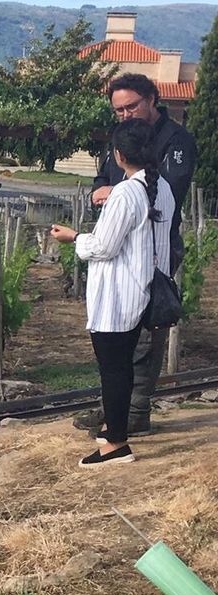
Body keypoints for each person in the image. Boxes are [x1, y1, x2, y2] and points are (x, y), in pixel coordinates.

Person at [73, 73, 196, 438]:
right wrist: (104, 191)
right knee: (119, 342)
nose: (125, 114)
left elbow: (166, 192)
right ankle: (115, 411)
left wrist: (119, 192)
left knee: (144, 334)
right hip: (121, 249)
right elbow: (101, 182)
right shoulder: (119, 139)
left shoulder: (176, 140)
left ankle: (135, 411)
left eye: (132, 106)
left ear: (152, 99)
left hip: (154, 250)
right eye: (119, 109)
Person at [51, 118, 176, 468]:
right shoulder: (161, 187)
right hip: (143, 291)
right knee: (123, 367)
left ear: (118, 155)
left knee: (114, 369)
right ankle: (113, 430)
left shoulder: (125, 193)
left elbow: (104, 246)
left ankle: (116, 444)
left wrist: (74, 237)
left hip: (118, 296)